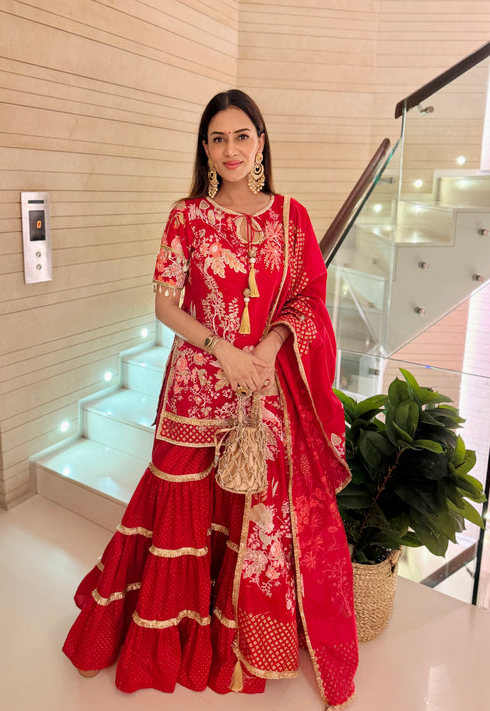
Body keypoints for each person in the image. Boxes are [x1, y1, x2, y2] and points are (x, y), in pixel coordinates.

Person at [63, 89, 358, 710]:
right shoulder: (187, 216)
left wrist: (272, 342)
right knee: (177, 500)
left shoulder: (291, 217)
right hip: (197, 387)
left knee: (245, 517)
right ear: (205, 148)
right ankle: (158, 643)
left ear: (261, 141)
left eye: (242, 136)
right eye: (218, 138)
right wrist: (221, 346)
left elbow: (306, 299)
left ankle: (231, 642)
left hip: (260, 390)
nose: (231, 149)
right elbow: (164, 302)